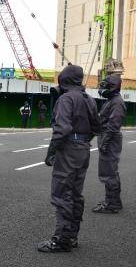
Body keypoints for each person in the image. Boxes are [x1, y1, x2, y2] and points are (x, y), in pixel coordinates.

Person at [38, 65, 99, 253]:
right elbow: (97, 127)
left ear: (64, 80)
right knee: (75, 194)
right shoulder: (88, 99)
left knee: (62, 192)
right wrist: (82, 141)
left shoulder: (66, 99)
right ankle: (72, 236)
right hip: (83, 149)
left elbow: (62, 129)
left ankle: (61, 240)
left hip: (68, 150)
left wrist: (51, 151)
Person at [92, 74, 126, 214]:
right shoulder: (112, 100)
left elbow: (113, 125)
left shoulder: (117, 102)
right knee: (111, 171)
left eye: (104, 86)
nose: (101, 90)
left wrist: (104, 143)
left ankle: (111, 204)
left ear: (112, 87)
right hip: (108, 138)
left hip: (110, 139)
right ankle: (114, 201)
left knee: (109, 172)